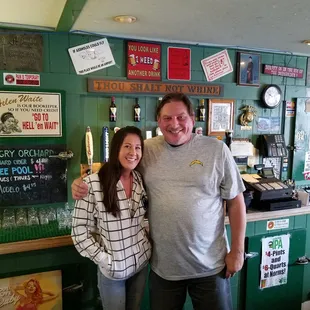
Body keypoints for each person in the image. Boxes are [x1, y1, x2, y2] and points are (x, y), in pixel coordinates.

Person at [72, 93, 246, 310]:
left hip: (211, 267)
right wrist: (82, 182)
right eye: (167, 118)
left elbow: (236, 201)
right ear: (158, 121)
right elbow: (118, 167)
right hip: (164, 269)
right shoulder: (147, 149)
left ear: (192, 118)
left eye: (181, 117)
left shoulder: (217, 150)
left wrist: (237, 251)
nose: (174, 124)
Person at [71, 126, 151, 310]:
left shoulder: (139, 178)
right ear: (116, 149)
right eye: (127, 146)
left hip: (140, 264)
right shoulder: (92, 183)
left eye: (138, 147)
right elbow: (79, 231)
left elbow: (142, 217)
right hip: (114, 271)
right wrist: (104, 259)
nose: (133, 153)